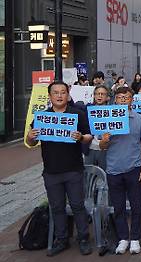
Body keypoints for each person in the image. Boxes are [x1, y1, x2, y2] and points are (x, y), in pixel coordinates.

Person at [25, 81, 93, 256]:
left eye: (63, 92)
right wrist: (30, 136)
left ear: (68, 94)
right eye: (55, 92)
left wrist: (80, 137)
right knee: (57, 207)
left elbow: (89, 137)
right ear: (50, 96)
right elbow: (31, 141)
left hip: (73, 169)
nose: (59, 95)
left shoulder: (77, 114)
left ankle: (83, 238)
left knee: (78, 205)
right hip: (51, 170)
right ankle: (61, 239)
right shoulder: (42, 117)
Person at [98, 87, 141, 254]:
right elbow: (101, 146)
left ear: (132, 100)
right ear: (115, 100)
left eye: (126, 97)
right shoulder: (107, 119)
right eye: (120, 97)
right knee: (118, 207)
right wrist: (105, 140)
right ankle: (123, 238)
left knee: (136, 206)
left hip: (134, 168)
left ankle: (135, 238)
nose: (122, 100)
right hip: (113, 169)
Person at [83, 85, 111, 170]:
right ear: (94, 96)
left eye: (102, 94)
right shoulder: (87, 109)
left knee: (105, 176)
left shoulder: (112, 112)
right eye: (97, 94)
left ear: (107, 97)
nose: (100, 96)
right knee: (89, 177)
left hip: (106, 150)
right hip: (90, 148)